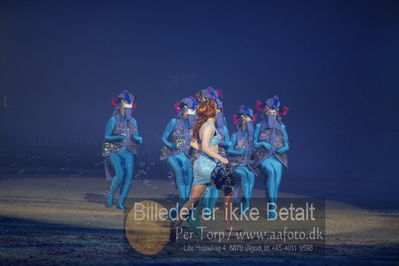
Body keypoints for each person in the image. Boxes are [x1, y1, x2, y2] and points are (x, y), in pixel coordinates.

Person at [171, 91, 242, 238]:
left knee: (192, 200)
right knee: (228, 192)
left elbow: (193, 143)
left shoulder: (202, 125)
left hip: (200, 166)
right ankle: (228, 225)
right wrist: (219, 158)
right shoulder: (209, 126)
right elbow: (204, 146)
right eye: (216, 108)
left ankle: (174, 227)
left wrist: (208, 152)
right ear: (211, 110)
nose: (219, 110)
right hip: (210, 166)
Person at [102, 90, 143, 209]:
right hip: (114, 151)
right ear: (120, 107)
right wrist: (118, 137)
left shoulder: (133, 122)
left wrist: (138, 139)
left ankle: (120, 202)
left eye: (129, 108)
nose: (127, 110)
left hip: (129, 151)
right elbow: (106, 136)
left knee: (129, 177)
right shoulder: (113, 120)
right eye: (125, 108)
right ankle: (110, 197)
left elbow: (136, 136)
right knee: (119, 174)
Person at [253, 95, 289, 219]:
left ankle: (273, 203)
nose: (272, 114)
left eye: (274, 112)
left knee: (276, 180)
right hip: (263, 156)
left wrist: (283, 148)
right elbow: (254, 143)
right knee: (271, 173)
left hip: (278, 157)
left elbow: (287, 144)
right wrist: (262, 143)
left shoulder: (282, 127)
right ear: (265, 111)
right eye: (270, 111)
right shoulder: (259, 126)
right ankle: (271, 207)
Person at [160, 96, 197, 209]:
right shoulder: (173, 122)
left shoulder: (192, 125)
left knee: (189, 176)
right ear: (184, 110)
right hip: (172, 154)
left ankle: (184, 202)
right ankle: (184, 200)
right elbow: (164, 137)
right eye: (190, 111)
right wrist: (170, 144)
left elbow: (194, 142)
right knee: (180, 173)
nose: (192, 115)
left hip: (185, 155)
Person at [226, 105, 256, 215]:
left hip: (248, 165)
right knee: (244, 175)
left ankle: (246, 203)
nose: (246, 120)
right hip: (236, 164)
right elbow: (229, 150)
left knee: (251, 176)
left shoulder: (253, 135)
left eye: (248, 118)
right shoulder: (235, 134)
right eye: (244, 117)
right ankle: (245, 204)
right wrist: (239, 152)